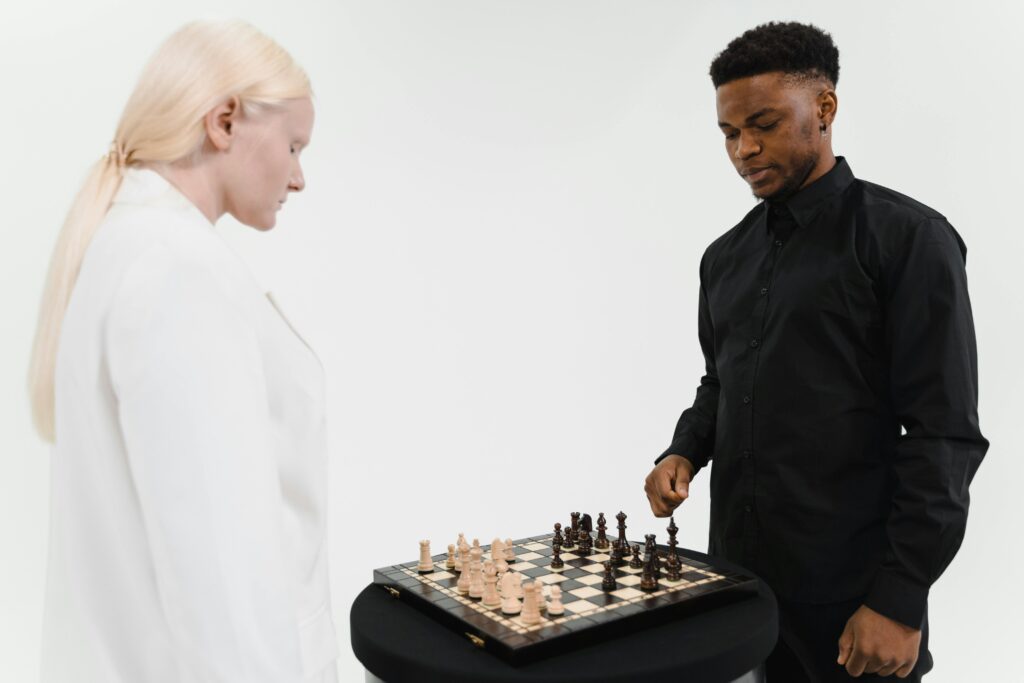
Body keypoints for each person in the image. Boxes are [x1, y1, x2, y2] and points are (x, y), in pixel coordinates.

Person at [643, 22, 987, 682]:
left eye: (764, 124)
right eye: (728, 133)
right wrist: (683, 448)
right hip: (737, 590)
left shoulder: (908, 239)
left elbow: (944, 435)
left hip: (855, 604)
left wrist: (899, 595)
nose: (744, 149)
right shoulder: (724, 258)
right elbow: (722, 380)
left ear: (825, 107)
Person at [27, 20, 338, 682]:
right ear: (225, 120)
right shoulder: (176, 274)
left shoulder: (131, 246)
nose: (300, 176)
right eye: (293, 145)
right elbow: (226, 592)